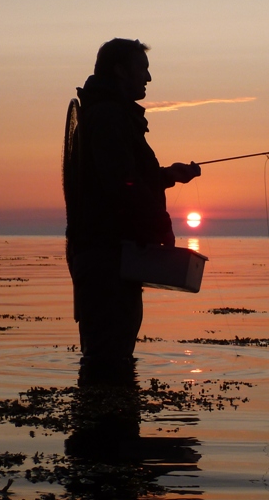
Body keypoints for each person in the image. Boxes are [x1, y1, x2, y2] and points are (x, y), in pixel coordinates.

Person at [64, 38, 201, 366]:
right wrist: (162, 224)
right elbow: (120, 183)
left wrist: (168, 176)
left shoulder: (111, 115)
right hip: (105, 257)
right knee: (107, 358)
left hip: (112, 255)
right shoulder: (109, 116)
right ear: (120, 70)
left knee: (110, 353)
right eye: (143, 69)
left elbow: (124, 177)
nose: (148, 79)